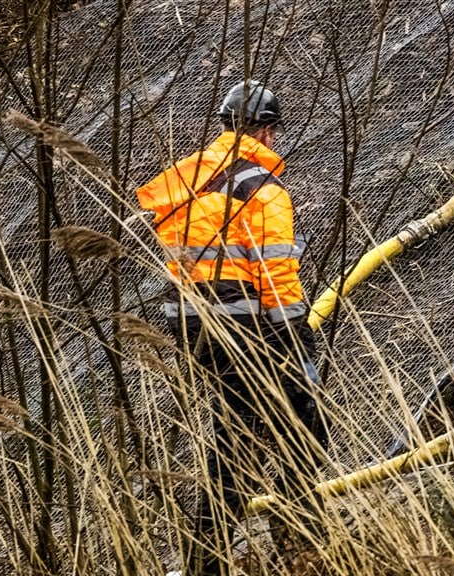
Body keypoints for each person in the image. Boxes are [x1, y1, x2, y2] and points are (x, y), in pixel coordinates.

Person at [136, 80, 328, 575]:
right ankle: (302, 548)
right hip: (244, 321)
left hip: (191, 321)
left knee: (238, 431)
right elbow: (276, 271)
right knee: (302, 422)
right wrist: (296, 337)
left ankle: (209, 559)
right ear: (265, 130)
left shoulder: (190, 180)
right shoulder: (260, 188)